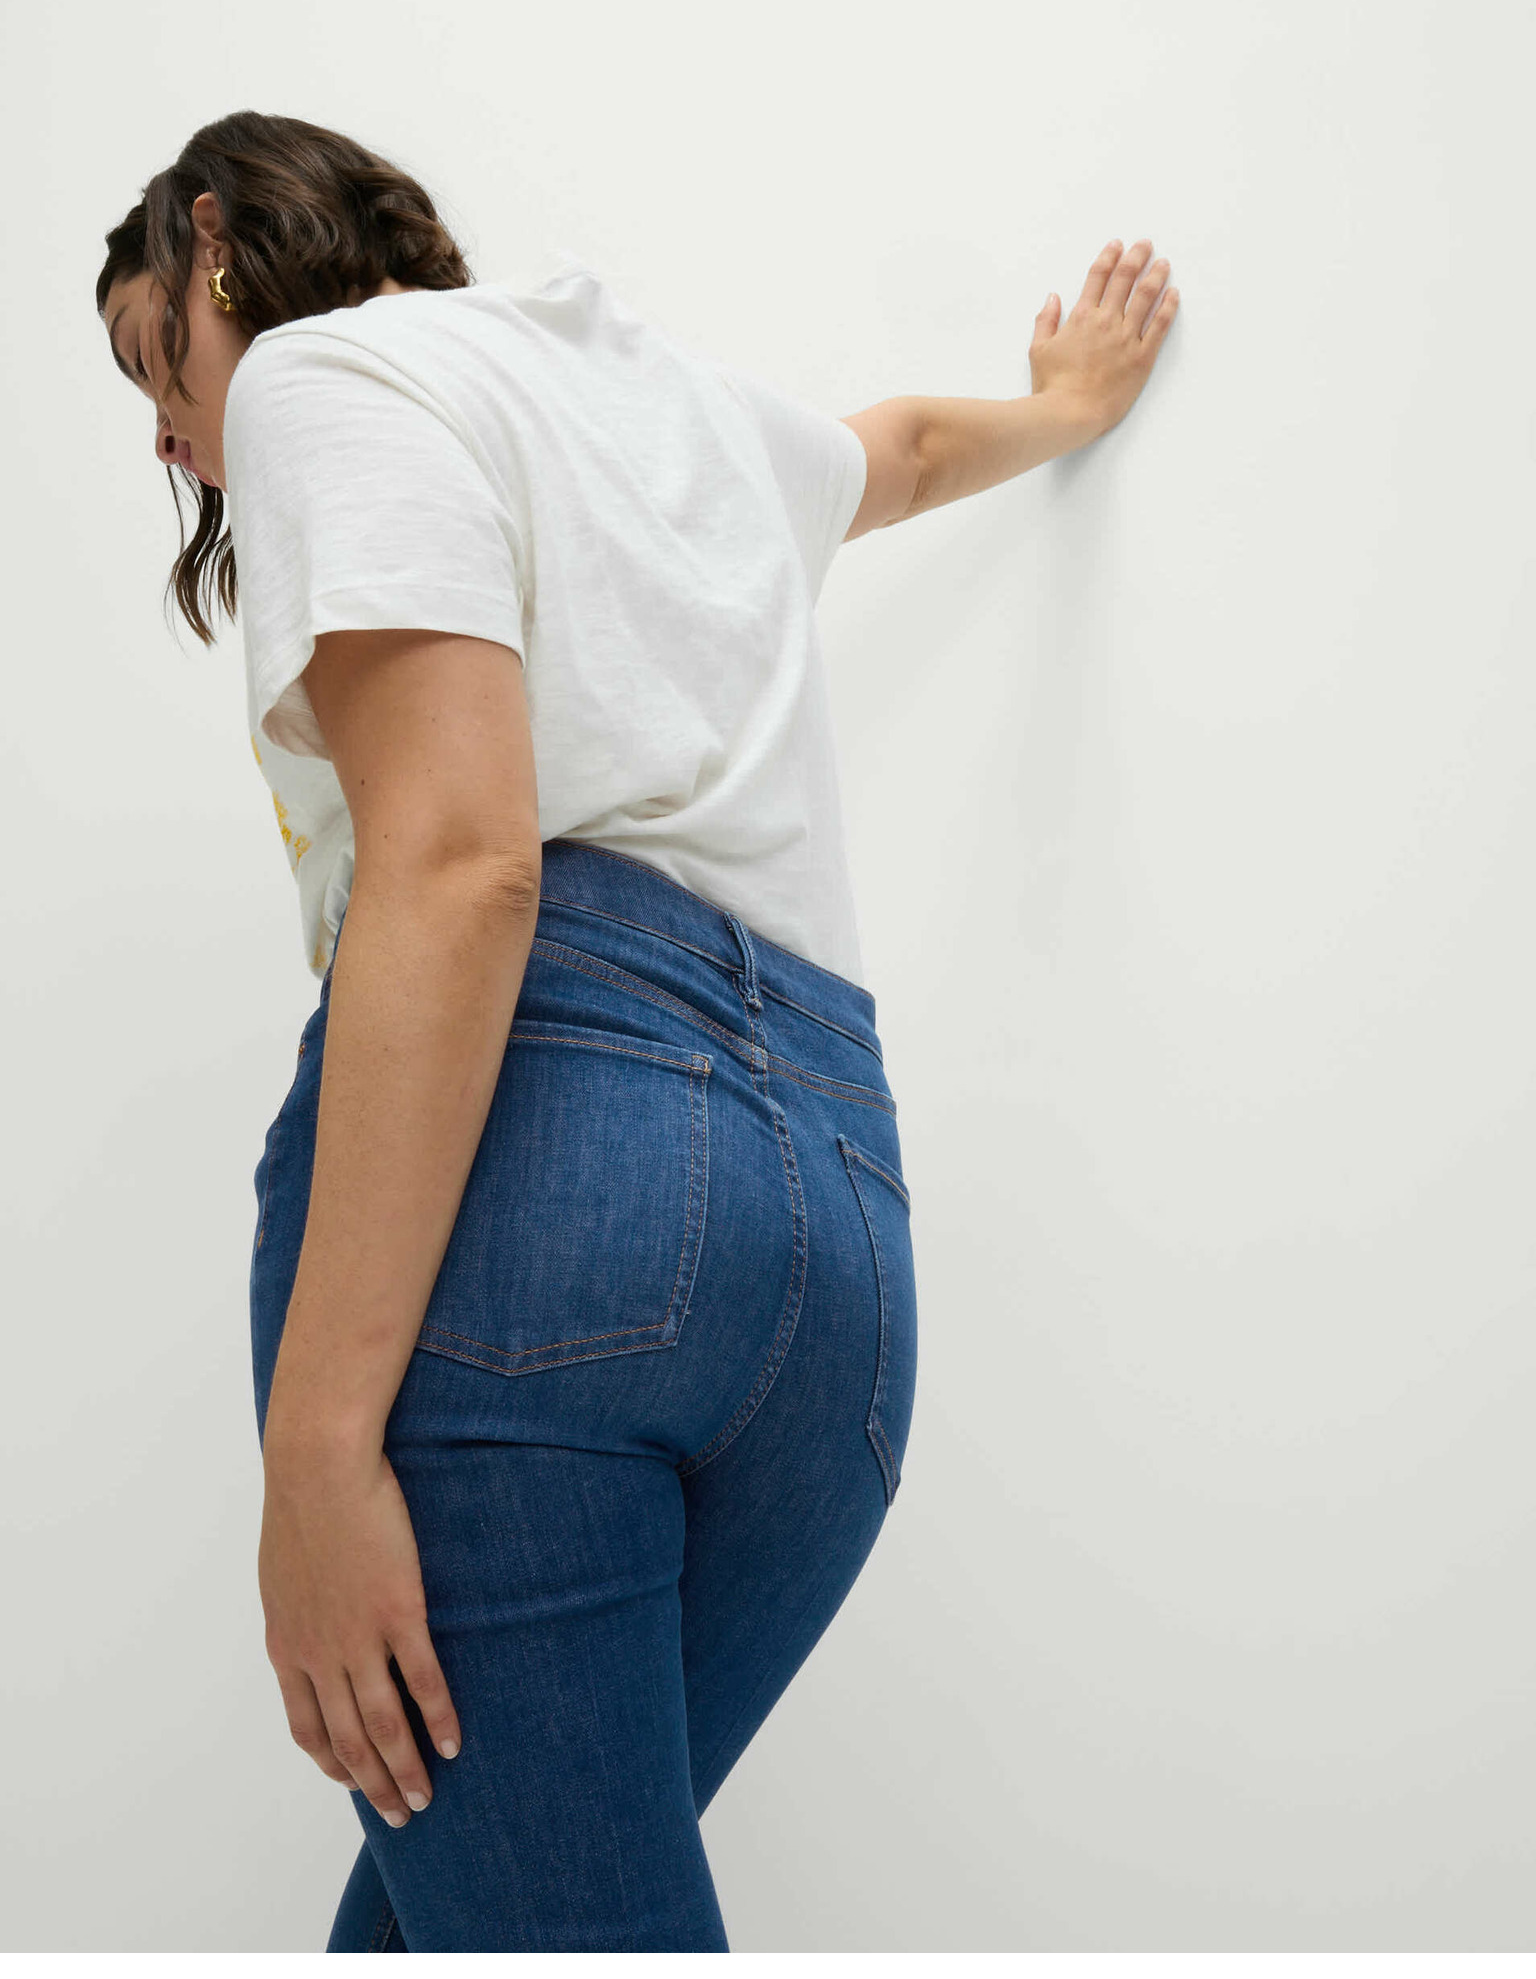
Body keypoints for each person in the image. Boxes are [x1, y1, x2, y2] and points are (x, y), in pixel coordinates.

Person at [98, 109, 1178, 1954]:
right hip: (834, 1261)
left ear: (218, 241)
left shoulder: (320, 379)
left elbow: (461, 865)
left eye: (157, 360)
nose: (168, 431)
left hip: (549, 1198)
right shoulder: (679, 407)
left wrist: (320, 1441)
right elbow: (903, 454)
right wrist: (1067, 408)